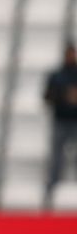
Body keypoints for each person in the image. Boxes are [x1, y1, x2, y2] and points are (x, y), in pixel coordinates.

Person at [43, 43, 77, 205]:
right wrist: (64, 96)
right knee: (57, 157)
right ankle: (52, 188)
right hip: (60, 121)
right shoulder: (56, 75)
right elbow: (47, 97)